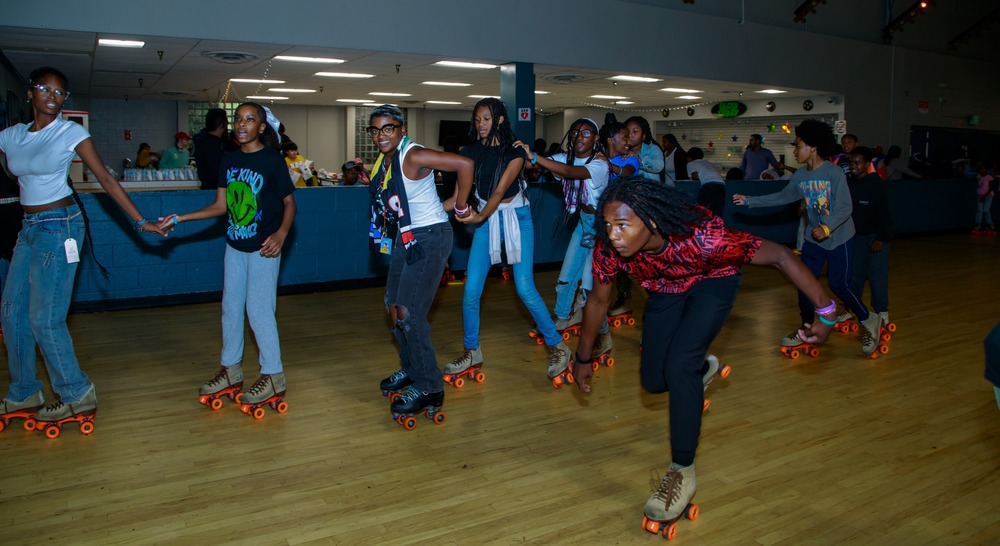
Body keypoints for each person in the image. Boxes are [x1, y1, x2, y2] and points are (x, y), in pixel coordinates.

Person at [569, 176, 837, 533]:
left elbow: (781, 256)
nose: (613, 234)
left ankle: (682, 471)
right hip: (664, 289)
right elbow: (599, 301)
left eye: (622, 225)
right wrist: (583, 358)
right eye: (607, 224)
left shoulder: (705, 238)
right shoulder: (609, 248)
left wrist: (826, 312)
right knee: (653, 382)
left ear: (651, 222)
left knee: (680, 363)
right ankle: (696, 375)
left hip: (713, 281)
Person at [0, 66, 167, 434]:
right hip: (27, 229)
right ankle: (25, 390)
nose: (52, 96)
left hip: (61, 227)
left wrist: (142, 222)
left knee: (45, 317)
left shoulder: (70, 132)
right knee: (11, 312)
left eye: (60, 92)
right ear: (30, 93)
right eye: (45, 88)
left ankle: (76, 392)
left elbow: (106, 179)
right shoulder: (11, 136)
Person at [159, 102, 295, 416]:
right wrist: (180, 218)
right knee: (231, 309)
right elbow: (220, 206)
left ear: (262, 127)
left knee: (258, 310)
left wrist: (282, 233)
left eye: (251, 119)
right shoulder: (229, 160)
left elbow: (290, 204)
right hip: (234, 246)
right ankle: (231, 370)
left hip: (264, 248)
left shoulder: (273, 161)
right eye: (238, 118)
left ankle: (273, 375)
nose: (242, 124)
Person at [443, 98, 571, 381]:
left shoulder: (514, 152)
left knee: (525, 288)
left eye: (486, 119)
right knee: (471, 290)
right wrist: (426, 215)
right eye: (477, 119)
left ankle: (558, 346)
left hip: (516, 218)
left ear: (499, 119)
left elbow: (499, 193)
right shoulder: (470, 153)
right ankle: (472, 350)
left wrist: (478, 218)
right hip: (486, 221)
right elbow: (455, 198)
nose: (481, 125)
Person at [732, 119, 883, 356]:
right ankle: (806, 325)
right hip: (814, 239)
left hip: (839, 237)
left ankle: (868, 319)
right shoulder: (801, 176)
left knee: (839, 284)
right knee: (804, 282)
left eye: (798, 146)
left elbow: (845, 207)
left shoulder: (833, 172)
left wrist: (826, 227)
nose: (794, 151)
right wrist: (750, 201)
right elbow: (783, 196)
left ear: (813, 148)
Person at [368, 105, 474, 419]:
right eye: (375, 130)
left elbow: (465, 164)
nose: (381, 135)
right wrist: (445, 206)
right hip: (407, 237)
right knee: (393, 306)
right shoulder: (386, 161)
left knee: (409, 312)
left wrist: (461, 205)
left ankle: (430, 387)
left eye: (388, 128)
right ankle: (412, 369)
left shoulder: (412, 154)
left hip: (428, 239)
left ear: (401, 129)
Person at [517, 118, 609, 354]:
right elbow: (537, 165)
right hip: (583, 224)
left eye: (586, 133)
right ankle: (560, 317)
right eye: (576, 133)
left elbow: (569, 172)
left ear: (596, 139)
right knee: (567, 274)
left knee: (591, 284)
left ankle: (603, 335)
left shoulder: (600, 165)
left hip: (603, 228)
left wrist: (536, 158)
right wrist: (521, 156)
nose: (579, 137)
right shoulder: (564, 158)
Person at [845, 146, 894, 325]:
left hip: (876, 237)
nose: (853, 166)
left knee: (877, 275)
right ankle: (852, 309)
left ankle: (881, 311)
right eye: (851, 163)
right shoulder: (848, 182)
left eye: (857, 163)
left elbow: (886, 215)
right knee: (854, 275)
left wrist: (881, 238)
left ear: (867, 164)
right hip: (856, 237)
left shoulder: (875, 184)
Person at [602, 114, 641, 322]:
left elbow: (626, 172)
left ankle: (624, 300)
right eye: (624, 137)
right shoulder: (600, 157)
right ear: (611, 140)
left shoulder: (630, 159)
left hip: (625, 219)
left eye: (629, 137)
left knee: (625, 262)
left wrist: (609, 166)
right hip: (604, 219)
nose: (628, 141)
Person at [192, 107, 228, 190]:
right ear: (222, 125)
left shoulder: (202, 142)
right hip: (216, 190)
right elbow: (215, 172)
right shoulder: (214, 146)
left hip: (207, 188)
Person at [686, 146, 726, 218]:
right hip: (721, 185)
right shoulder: (707, 162)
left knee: (702, 211)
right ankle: (718, 227)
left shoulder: (691, 164)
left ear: (689, 157)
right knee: (717, 212)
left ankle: (703, 228)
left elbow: (695, 177)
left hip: (709, 186)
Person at [625, 116, 666, 185]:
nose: (630, 135)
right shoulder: (621, 150)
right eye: (627, 131)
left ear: (643, 135)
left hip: (651, 191)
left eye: (635, 131)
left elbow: (659, 167)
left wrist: (639, 161)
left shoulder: (652, 149)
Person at [973, 161, 995, 232]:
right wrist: (978, 165)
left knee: (986, 210)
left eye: (982, 169)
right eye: (980, 169)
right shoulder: (978, 176)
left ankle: (990, 223)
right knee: (979, 210)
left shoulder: (989, 177)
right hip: (980, 195)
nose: (980, 170)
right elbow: (976, 169)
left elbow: (991, 188)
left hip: (988, 196)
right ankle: (978, 224)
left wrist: (984, 196)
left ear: (986, 170)